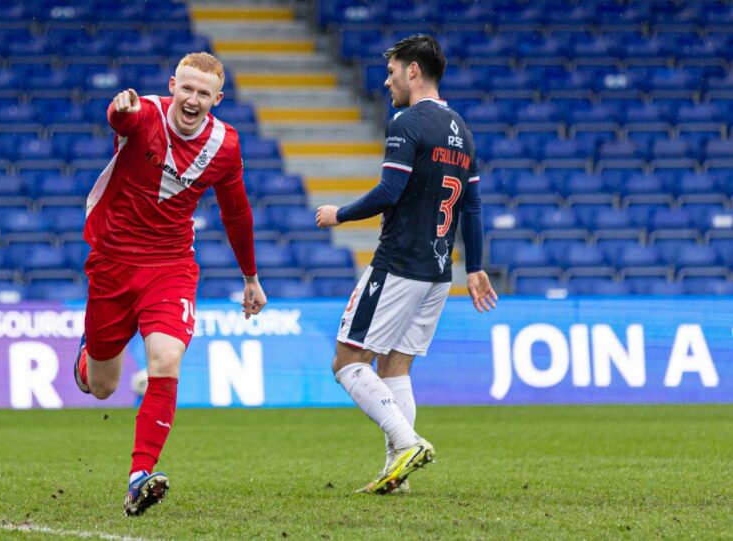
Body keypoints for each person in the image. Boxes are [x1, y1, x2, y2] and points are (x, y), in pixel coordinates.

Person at [73, 52, 267, 516]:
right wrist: (118, 111)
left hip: (170, 265)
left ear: (217, 99)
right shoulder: (145, 114)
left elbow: (236, 212)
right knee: (101, 386)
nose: (193, 99)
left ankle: (140, 474)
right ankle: (87, 356)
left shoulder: (225, 145)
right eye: (187, 88)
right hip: (113, 263)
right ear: (172, 85)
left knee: (165, 358)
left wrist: (250, 277)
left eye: (204, 93)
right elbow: (120, 115)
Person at [315, 34, 497, 495]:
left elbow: (389, 192)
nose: (387, 79)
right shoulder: (462, 129)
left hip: (398, 262)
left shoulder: (406, 122)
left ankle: (406, 441)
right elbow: (471, 207)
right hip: (439, 271)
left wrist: (340, 214)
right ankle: (397, 475)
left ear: (414, 71)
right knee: (395, 370)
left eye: (393, 71)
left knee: (347, 361)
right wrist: (473, 267)